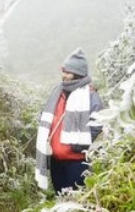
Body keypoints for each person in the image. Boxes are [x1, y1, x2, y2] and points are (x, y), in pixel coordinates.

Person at [35, 48, 104, 194]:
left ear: (78, 74)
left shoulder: (90, 96)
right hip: (56, 160)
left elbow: (97, 123)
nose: (64, 75)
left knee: (77, 198)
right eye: (63, 71)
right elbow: (46, 115)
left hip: (77, 162)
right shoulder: (57, 92)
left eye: (68, 72)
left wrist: (79, 144)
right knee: (60, 197)